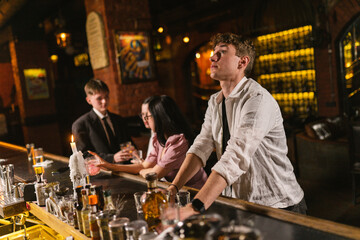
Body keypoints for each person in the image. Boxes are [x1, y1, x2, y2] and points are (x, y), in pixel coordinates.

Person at [167, 33, 306, 219]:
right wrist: (173, 188)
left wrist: (195, 207)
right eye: (214, 52)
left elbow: (236, 155)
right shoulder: (214, 102)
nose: (212, 57)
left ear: (242, 63)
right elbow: (201, 146)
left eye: (222, 53)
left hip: (279, 205)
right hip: (242, 203)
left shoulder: (257, 99)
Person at [90, 95, 208, 189]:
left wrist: (143, 171)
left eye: (148, 116)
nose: (145, 120)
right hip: (177, 191)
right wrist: (109, 166)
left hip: (195, 193)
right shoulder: (159, 137)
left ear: (160, 117)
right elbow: (145, 166)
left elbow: (154, 174)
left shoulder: (178, 141)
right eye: (143, 116)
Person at [72, 78, 134, 163]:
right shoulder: (80, 124)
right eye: (99, 98)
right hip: (101, 172)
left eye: (106, 96)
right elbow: (84, 155)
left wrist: (133, 151)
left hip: (125, 168)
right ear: (89, 100)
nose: (104, 101)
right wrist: (112, 158)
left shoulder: (118, 119)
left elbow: (128, 143)